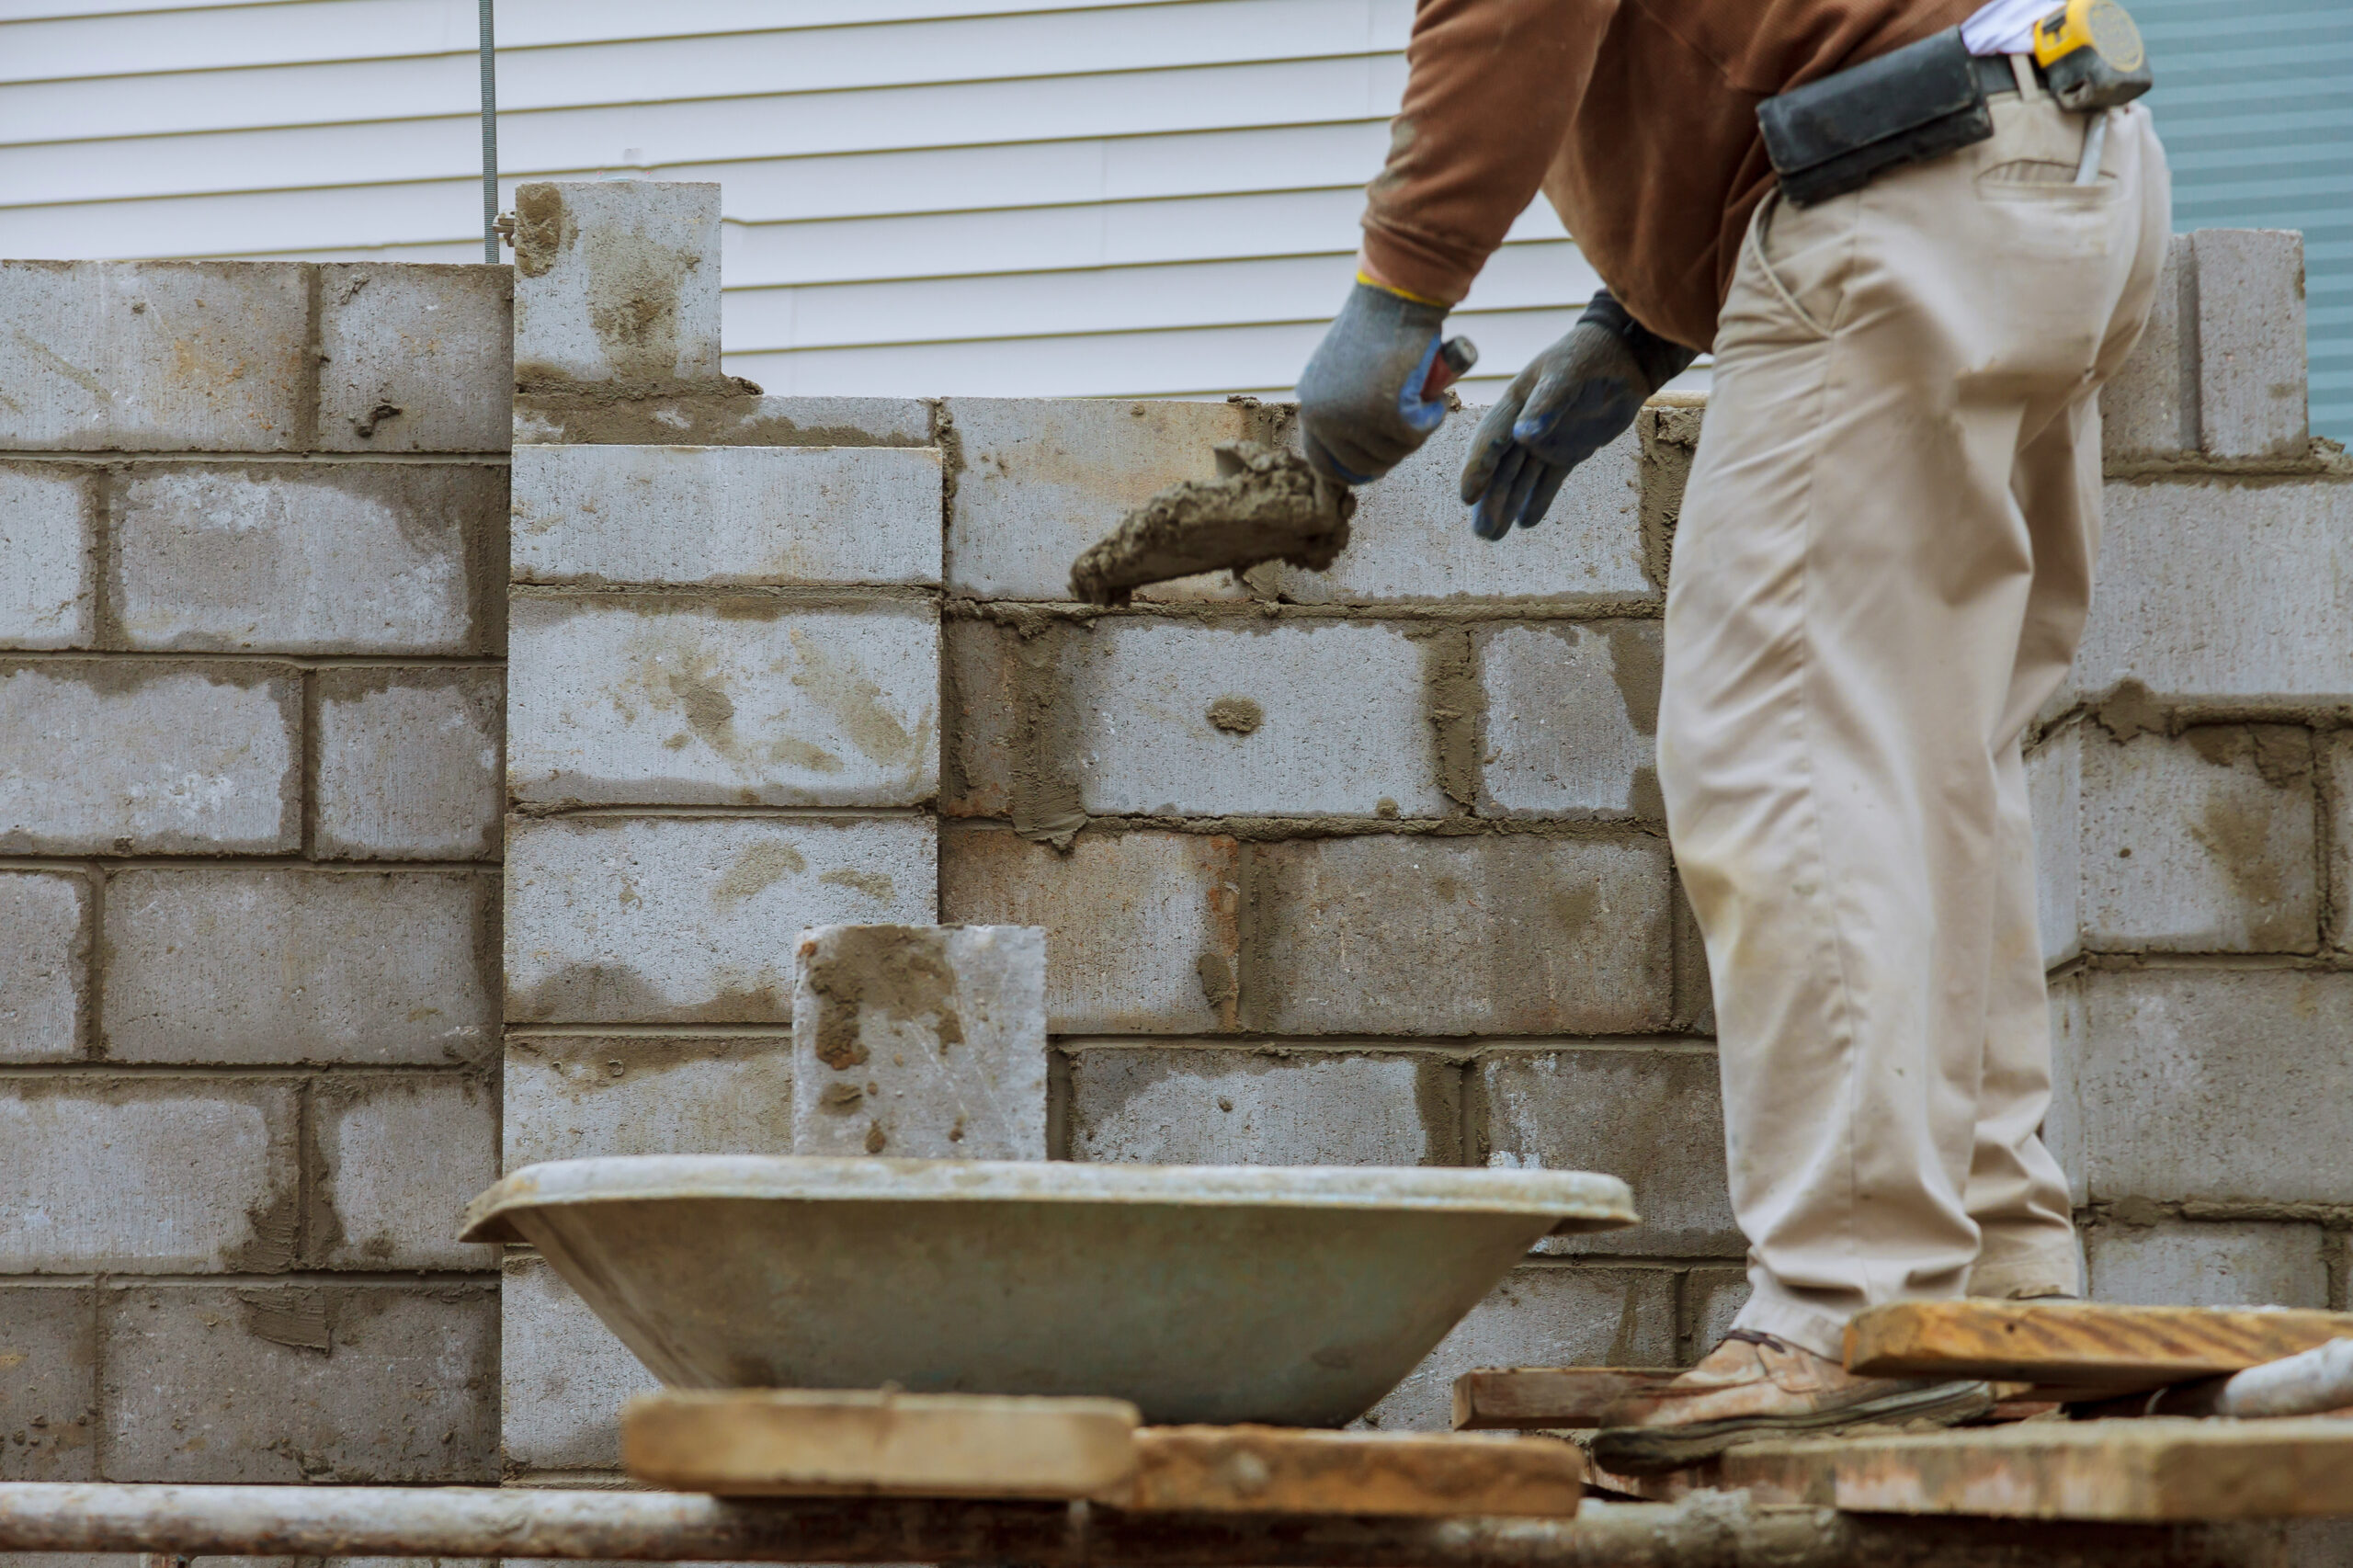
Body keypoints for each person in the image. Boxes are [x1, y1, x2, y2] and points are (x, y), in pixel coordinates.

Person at [1296, 0, 2170, 1470]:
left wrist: (1402, 287)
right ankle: (2001, 1282)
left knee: (1792, 756)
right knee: (1931, 759)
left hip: (1909, 189)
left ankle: (1846, 1302)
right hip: (2057, 155)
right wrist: (1636, 326)